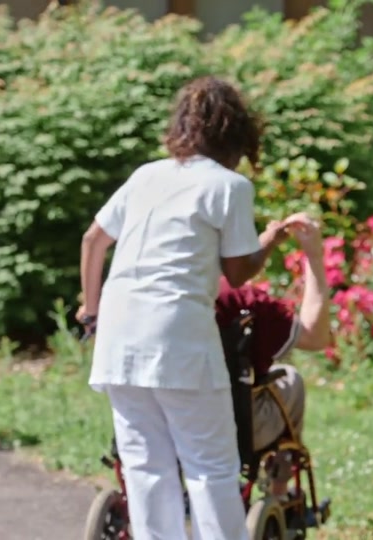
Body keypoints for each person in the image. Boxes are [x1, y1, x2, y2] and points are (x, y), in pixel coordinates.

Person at [77, 76, 308, 540]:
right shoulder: (229, 186)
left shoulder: (147, 175)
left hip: (119, 338)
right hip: (177, 336)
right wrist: (272, 238)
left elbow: (94, 239)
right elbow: (239, 272)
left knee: (146, 469)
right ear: (236, 135)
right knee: (210, 467)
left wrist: (91, 309)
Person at [214, 215, 332, 501]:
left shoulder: (138, 293)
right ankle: (279, 494)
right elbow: (316, 337)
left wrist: (267, 240)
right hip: (230, 428)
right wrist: (314, 256)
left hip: (160, 423)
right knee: (291, 380)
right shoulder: (241, 301)